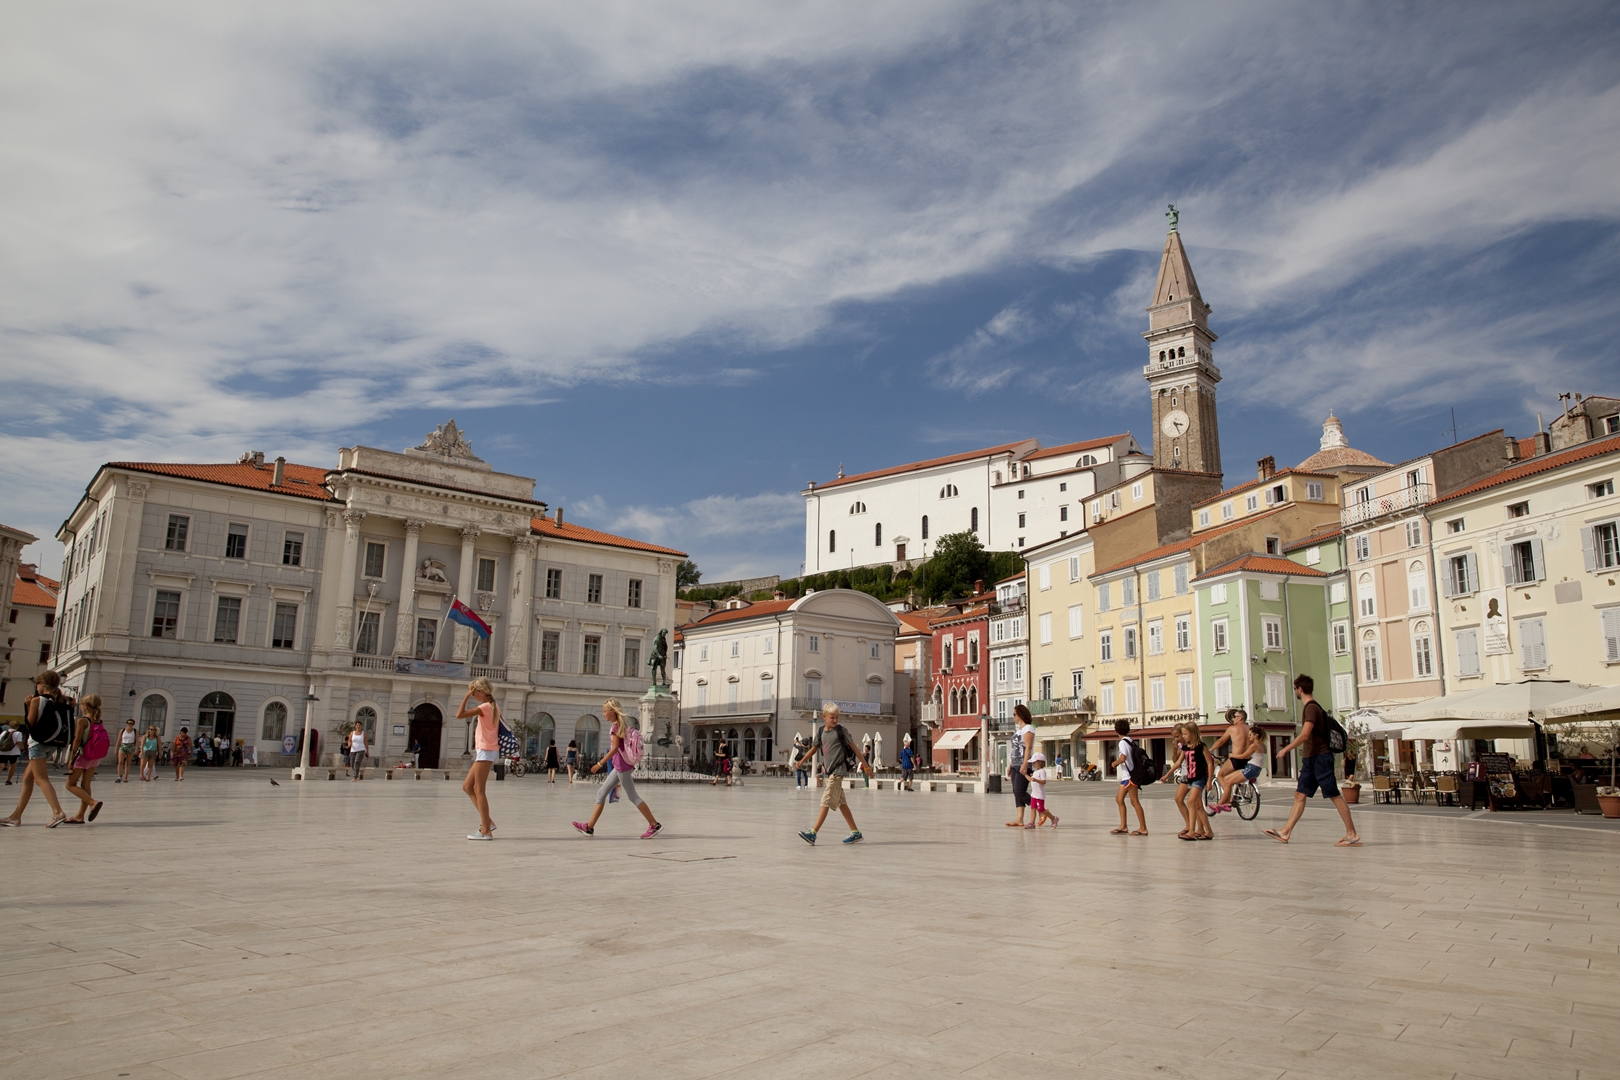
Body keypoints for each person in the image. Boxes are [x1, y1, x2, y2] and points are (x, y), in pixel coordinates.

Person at [1266, 674, 1361, 847]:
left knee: (1334, 795)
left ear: (1299, 689)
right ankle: (1285, 832)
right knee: (1299, 794)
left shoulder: (1311, 708)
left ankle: (1352, 834)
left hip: (1320, 758)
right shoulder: (1311, 708)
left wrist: (1286, 749)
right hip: (1311, 759)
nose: (1295, 692)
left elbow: (1304, 735)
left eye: (1295, 689)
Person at [573, 700, 662, 838]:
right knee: (601, 793)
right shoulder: (621, 725)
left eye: (605, 711)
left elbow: (614, 749)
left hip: (622, 767)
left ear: (613, 712)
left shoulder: (616, 727)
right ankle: (589, 827)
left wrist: (599, 764)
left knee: (633, 797)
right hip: (621, 766)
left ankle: (654, 824)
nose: (603, 714)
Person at [794, 702, 874, 845]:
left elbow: (856, 750)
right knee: (841, 803)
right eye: (832, 717)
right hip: (829, 772)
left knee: (826, 800)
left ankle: (813, 833)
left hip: (838, 771)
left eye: (837, 717)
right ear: (823, 717)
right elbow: (813, 749)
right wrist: (802, 760)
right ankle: (855, 832)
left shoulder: (841, 731)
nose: (835, 720)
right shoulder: (820, 732)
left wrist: (867, 768)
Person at [1, 672, 72, 827]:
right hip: (53, 743)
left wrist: (27, 706)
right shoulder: (61, 700)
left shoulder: (37, 700)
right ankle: (16, 816)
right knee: (27, 778)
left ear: (43, 685)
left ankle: (57, 812)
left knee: (41, 779)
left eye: (37, 684)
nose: (36, 687)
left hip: (37, 743)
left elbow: (30, 724)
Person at [455, 678, 500, 840]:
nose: (473, 694)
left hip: (486, 750)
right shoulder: (491, 706)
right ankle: (487, 821)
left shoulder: (485, 707)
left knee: (479, 790)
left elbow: (459, 715)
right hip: (485, 751)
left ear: (481, 692)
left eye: (474, 692)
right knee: (467, 786)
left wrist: (466, 697)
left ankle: (486, 831)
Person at [63, 694, 109, 823]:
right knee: (86, 784)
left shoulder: (83, 721)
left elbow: (77, 740)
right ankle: (79, 816)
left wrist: (71, 759)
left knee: (70, 784)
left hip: (82, 756)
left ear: (86, 706)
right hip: (94, 757)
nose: (81, 707)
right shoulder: (99, 721)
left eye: (82, 704)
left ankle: (92, 802)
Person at [1211, 708, 1265, 813]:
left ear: (1240, 718)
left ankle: (1226, 799)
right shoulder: (1250, 730)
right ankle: (1233, 797)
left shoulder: (1232, 729)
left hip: (1236, 758)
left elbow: (1221, 741)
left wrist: (1210, 750)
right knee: (1236, 779)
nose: (1233, 719)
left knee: (1221, 776)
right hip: (1247, 760)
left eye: (1235, 717)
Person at [1168, 722, 1212, 841]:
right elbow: (1176, 761)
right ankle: (1206, 830)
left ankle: (1193, 830)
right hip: (1189, 777)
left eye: (1182, 735)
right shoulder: (1184, 747)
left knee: (1192, 802)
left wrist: (1210, 781)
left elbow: (1209, 762)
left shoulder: (1201, 746)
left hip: (1198, 777)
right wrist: (1167, 774)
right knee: (1195, 804)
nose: (1180, 737)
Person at [1111, 718, 1148, 836]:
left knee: (1134, 801)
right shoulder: (1130, 741)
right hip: (1128, 776)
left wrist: (1114, 763)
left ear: (1116, 730)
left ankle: (1143, 827)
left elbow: (1123, 758)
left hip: (1130, 776)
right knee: (1119, 799)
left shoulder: (1122, 742)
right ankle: (1123, 826)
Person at [1005, 704, 1036, 827]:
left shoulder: (1028, 729)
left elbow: (1028, 747)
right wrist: (1010, 765)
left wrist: (1025, 764)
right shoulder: (1018, 730)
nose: (1013, 717)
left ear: (1020, 715)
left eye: (1014, 714)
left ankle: (1040, 808)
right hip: (1015, 764)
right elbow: (1014, 749)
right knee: (1015, 791)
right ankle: (1019, 819)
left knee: (1019, 791)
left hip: (1023, 764)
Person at [1029, 752, 1058, 827]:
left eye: (1034, 763)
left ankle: (1053, 818)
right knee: (1033, 808)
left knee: (1041, 809)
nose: (1033, 764)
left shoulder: (1042, 771)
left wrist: (1036, 780)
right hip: (1034, 794)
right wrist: (1025, 774)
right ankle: (1032, 823)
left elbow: (1044, 781)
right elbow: (1031, 779)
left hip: (1039, 794)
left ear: (1040, 762)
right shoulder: (1035, 772)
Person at [1, 720, 22, 784]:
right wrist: (23, 748)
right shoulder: (18, 733)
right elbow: (19, 742)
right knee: (12, 766)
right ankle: (8, 780)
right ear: (17, 726)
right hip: (13, 753)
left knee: (1, 765)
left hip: (2, 751)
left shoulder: (4, 732)